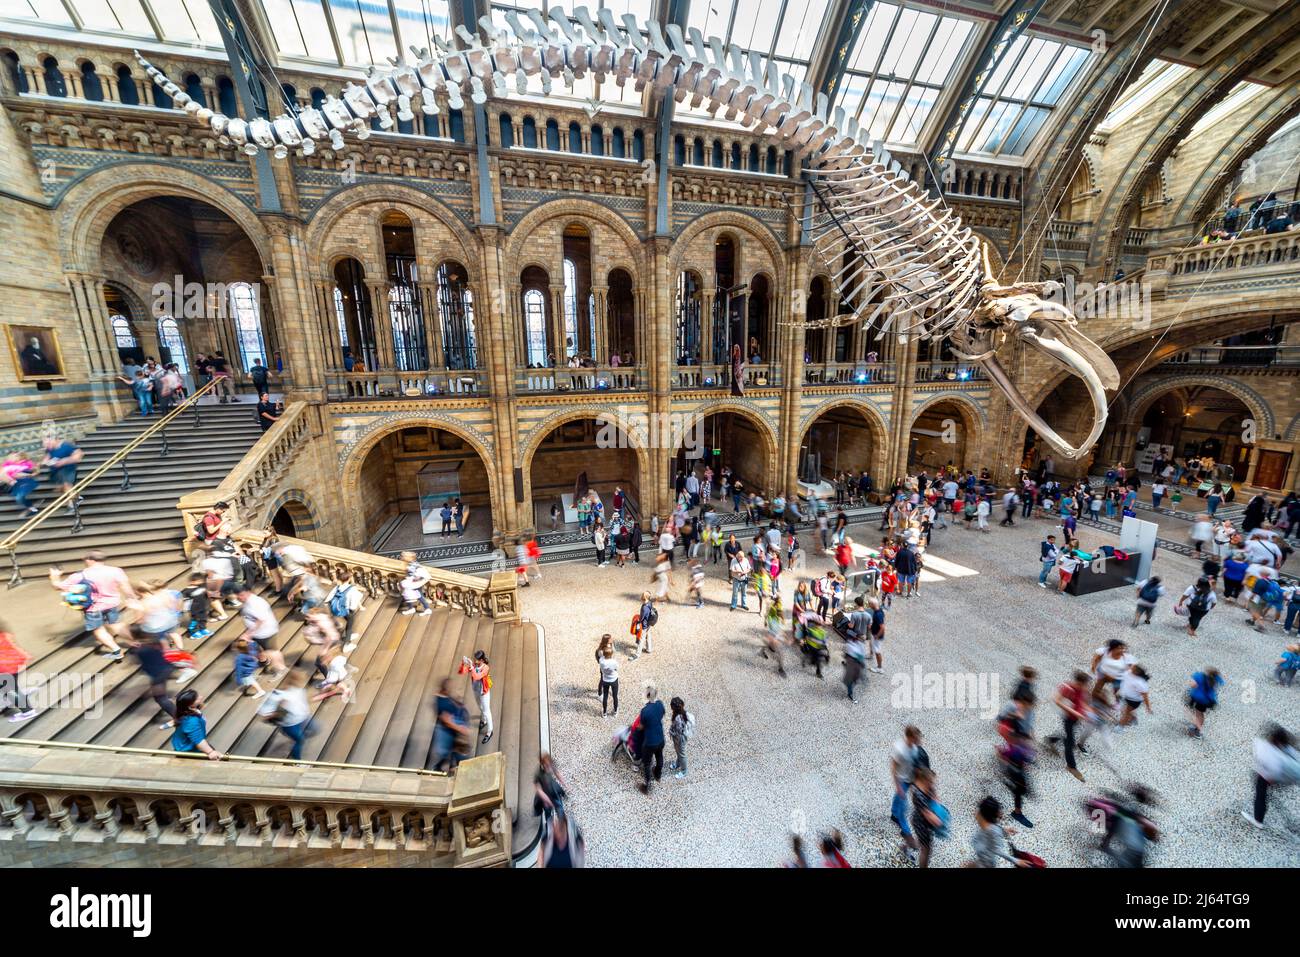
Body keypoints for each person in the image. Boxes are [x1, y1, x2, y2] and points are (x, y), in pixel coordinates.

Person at [50, 551, 136, 660]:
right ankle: (135, 642)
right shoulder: (116, 571)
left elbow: (58, 586)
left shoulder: (80, 575)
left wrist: (54, 576)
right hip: (112, 604)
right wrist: (132, 598)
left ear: (89, 560)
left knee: (98, 629)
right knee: (116, 625)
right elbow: (125, 586)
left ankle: (116, 651)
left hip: (93, 608)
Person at [1242, 724, 1300, 829]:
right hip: (1292, 772)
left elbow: (1275, 771)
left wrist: (1269, 778)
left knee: (1261, 788)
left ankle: (1258, 820)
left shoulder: (1270, 751)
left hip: (1290, 773)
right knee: (1261, 782)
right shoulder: (1288, 748)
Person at [1044, 671, 1090, 782]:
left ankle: (1051, 739)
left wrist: (1087, 711)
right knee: (1069, 742)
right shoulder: (1067, 688)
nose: (1086, 687)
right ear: (1078, 682)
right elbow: (1056, 700)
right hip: (1068, 717)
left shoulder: (1082, 688)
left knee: (1067, 734)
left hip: (1076, 718)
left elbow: (1082, 701)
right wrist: (1074, 712)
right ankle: (1071, 766)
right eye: (1084, 684)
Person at [234, 584, 287, 678]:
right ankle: (264, 661)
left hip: (266, 632)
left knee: (273, 652)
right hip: (257, 633)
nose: (239, 597)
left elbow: (261, 619)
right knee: (257, 649)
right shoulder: (249, 600)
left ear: (248, 592)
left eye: (241, 595)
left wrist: (248, 634)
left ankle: (281, 669)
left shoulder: (255, 603)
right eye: (237, 595)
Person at [968, 797, 1025, 868]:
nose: (975, 812)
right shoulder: (989, 827)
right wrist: (1004, 831)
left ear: (982, 815)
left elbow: (998, 850)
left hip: (986, 864)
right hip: (982, 860)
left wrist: (1016, 860)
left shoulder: (991, 830)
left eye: (978, 810)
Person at [170, 689, 223, 759]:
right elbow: (198, 741)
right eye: (197, 698)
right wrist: (211, 752)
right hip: (189, 750)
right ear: (190, 705)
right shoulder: (191, 721)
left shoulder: (185, 711)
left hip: (189, 744)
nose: (201, 697)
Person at [431, 679, 471, 771]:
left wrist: (458, 705)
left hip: (452, 730)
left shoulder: (443, 696)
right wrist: (460, 729)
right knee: (446, 752)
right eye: (449, 688)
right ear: (444, 690)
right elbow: (446, 720)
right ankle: (440, 769)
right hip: (448, 731)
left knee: (454, 749)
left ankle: (454, 765)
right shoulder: (442, 703)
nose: (451, 689)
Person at [40, 436, 84, 510]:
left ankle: (72, 504)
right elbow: (47, 456)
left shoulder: (66, 446)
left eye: (48, 443)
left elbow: (79, 455)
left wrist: (65, 461)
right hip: (56, 472)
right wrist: (45, 461)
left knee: (67, 485)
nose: (47, 446)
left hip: (68, 469)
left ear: (55, 440)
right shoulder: (49, 448)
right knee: (61, 488)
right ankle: (76, 496)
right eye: (45, 444)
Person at [638, 684, 666, 795]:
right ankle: (658, 774)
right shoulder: (660, 704)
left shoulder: (645, 710)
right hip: (660, 738)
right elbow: (662, 714)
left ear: (648, 696)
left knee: (647, 763)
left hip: (650, 742)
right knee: (659, 756)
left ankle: (647, 785)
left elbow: (641, 726)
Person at [461, 650, 493, 744]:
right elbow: (462, 671)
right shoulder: (475, 665)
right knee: (480, 707)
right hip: (476, 690)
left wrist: (471, 667)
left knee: (487, 711)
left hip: (484, 692)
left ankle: (490, 731)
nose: (475, 661)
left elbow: (477, 677)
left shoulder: (486, 668)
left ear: (482, 660)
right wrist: (464, 664)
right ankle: (484, 720)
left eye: (477, 660)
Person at [1185, 667, 1223, 739]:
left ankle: (1198, 729)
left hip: (1197, 698)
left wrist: (1191, 683)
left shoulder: (1200, 677)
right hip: (1207, 700)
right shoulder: (1216, 679)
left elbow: (1193, 685)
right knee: (1200, 714)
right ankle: (1197, 729)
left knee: (1189, 711)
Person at [668, 695, 692, 779]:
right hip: (680, 737)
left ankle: (684, 771)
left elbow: (677, 733)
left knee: (682, 754)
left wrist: (671, 732)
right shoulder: (682, 713)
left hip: (679, 739)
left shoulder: (678, 718)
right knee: (678, 752)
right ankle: (678, 763)